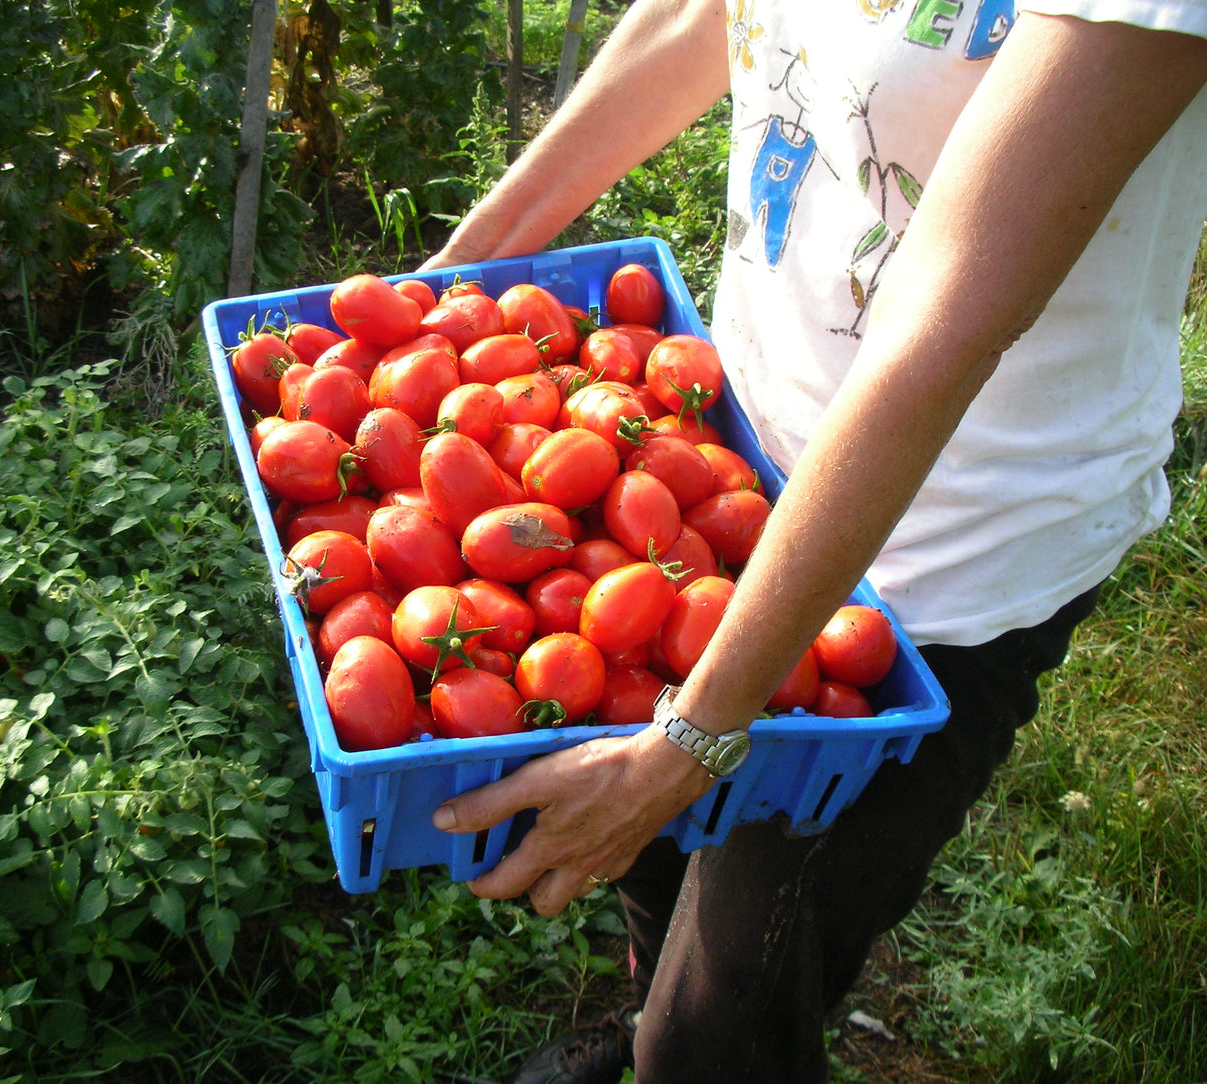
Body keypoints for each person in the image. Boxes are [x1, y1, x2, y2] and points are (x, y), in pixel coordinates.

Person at [421, 1, 1207, 1082]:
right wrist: (449, 283)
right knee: (651, 853)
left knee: (729, 1009)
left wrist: (690, 737)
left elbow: (942, 324)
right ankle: (653, 1009)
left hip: (944, 547)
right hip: (726, 458)